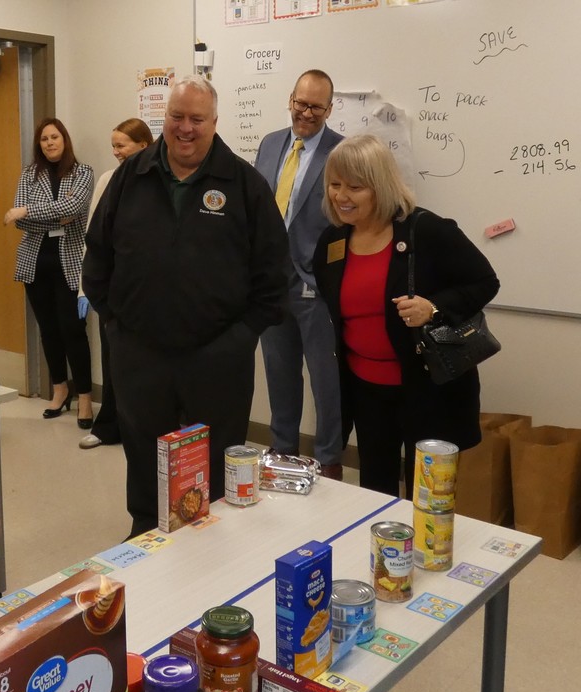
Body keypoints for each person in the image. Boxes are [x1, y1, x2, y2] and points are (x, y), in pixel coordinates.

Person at [84, 75, 289, 537]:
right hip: (139, 352)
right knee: (143, 453)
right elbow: (97, 256)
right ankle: (145, 532)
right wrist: (115, 324)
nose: (186, 128)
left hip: (218, 358)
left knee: (215, 461)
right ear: (165, 117)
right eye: (177, 117)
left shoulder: (245, 185)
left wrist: (240, 339)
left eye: (197, 119)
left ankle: (211, 542)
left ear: (214, 121)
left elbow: (275, 276)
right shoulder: (129, 178)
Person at [312, 133, 499, 497]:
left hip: (427, 390)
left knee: (427, 496)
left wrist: (434, 308)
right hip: (366, 391)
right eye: (335, 185)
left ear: (380, 187)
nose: (341, 196)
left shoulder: (426, 230)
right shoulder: (333, 242)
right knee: (374, 490)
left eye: (355, 187)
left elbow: (485, 282)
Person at [254, 70, 345, 479]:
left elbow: (349, 218)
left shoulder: (341, 152)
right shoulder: (270, 144)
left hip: (317, 284)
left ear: (330, 108)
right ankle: (283, 451)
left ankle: (329, 459)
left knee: (326, 381)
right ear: (290, 100)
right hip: (271, 282)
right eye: (301, 104)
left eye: (316, 107)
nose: (306, 113)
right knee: (279, 373)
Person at [5, 118, 95, 428]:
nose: (49, 143)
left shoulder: (83, 172)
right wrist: (54, 216)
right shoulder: (30, 174)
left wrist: (28, 210)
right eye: (44, 139)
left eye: (54, 137)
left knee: (73, 330)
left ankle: (85, 397)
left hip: (70, 263)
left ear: (64, 139)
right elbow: (20, 222)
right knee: (48, 330)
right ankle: (60, 390)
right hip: (36, 262)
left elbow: (75, 208)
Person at [79, 118, 154, 450]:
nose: (116, 152)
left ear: (143, 145)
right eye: (113, 145)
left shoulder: (159, 181)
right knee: (114, 360)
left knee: (149, 366)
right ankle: (109, 425)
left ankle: (146, 430)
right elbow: (92, 237)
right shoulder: (108, 180)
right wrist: (85, 289)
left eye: (121, 145)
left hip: (150, 291)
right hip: (114, 291)